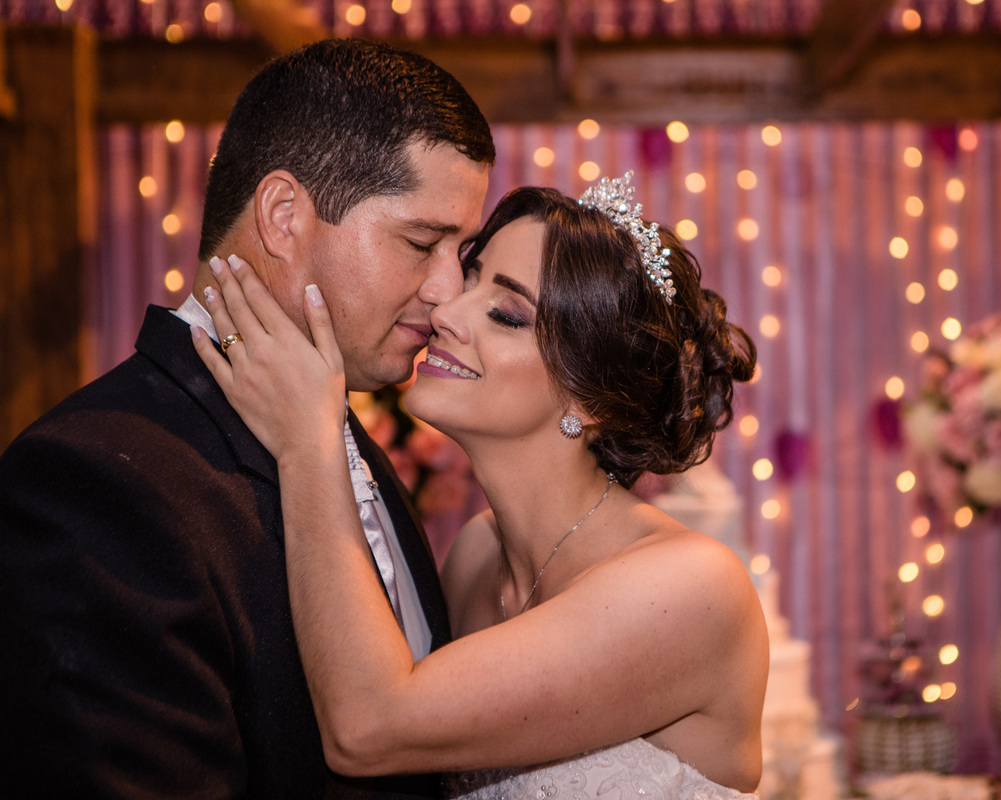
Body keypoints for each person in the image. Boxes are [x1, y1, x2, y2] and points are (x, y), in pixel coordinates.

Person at [0, 38, 493, 798]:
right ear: (283, 215)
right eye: (423, 242)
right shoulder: (94, 476)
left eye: (461, 251)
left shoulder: (345, 434)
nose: (446, 290)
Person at [194, 174, 769, 798]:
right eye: (471, 279)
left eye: (506, 314)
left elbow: (369, 727)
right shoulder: (474, 556)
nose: (444, 312)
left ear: (591, 395)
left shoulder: (689, 586)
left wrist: (308, 445)